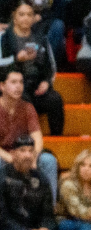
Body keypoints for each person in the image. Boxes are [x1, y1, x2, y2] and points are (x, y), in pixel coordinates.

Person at [0, 134, 67, 230]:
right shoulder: (2, 177)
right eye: (22, 150)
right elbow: (2, 217)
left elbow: (48, 213)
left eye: (31, 151)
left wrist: (45, 228)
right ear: (12, 154)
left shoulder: (41, 178)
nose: (27, 155)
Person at [1, 1, 64, 135]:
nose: (26, 18)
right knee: (22, 98)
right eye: (22, 14)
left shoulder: (41, 38)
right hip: (12, 87)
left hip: (36, 85)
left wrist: (46, 82)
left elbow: (51, 66)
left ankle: (58, 140)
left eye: (30, 15)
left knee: (55, 99)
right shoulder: (4, 39)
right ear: (14, 17)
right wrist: (16, 59)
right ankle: (24, 142)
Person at [0, 67, 58, 198]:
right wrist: (10, 158)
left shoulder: (27, 107)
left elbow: (37, 137)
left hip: (25, 153)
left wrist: (32, 157)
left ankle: (49, 211)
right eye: (13, 82)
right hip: (4, 155)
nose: (18, 86)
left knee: (48, 160)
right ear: (2, 86)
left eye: (21, 82)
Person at [3, 0, 68, 70]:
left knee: (58, 25)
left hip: (47, 22)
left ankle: (46, 66)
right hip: (22, 21)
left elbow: (60, 10)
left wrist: (41, 17)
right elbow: (7, 3)